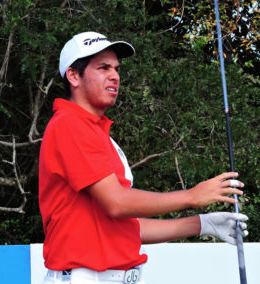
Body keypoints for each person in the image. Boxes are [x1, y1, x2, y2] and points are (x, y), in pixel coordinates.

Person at [38, 31, 248, 284]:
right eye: (103, 67)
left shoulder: (96, 132)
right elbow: (117, 202)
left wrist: (202, 224)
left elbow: (126, 225)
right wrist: (192, 196)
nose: (114, 75)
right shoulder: (70, 124)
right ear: (73, 75)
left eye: (116, 68)